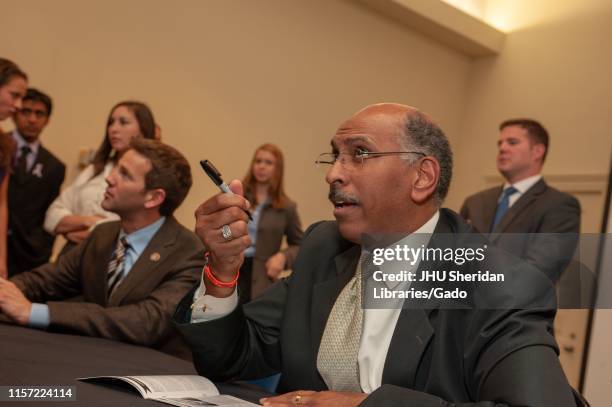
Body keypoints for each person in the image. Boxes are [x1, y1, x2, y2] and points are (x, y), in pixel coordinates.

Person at [173, 103, 580, 406]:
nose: (334, 173)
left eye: (360, 153)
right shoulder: (322, 247)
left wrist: (363, 405)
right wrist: (222, 273)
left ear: (421, 177)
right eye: (335, 156)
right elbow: (231, 358)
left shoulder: (500, 286)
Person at [0, 138, 203, 359]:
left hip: (152, 374)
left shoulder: (189, 252)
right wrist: (5, 292)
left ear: (153, 197)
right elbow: (44, 281)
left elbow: (144, 322)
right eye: (116, 168)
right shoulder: (102, 234)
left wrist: (34, 312)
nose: (109, 178)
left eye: (124, 174)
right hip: (95, 360)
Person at [460, 119, 580, 282]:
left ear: (537, 151)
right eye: (500, 143)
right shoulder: (475, 202)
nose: (502, 148)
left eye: (512, 142)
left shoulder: (560, 206)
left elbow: (538, 273)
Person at [44, 101, 156, 254]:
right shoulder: (95, 169)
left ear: (143, 130)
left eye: (123, 122)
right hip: (72, 255)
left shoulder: (151, 175)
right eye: (111, 122)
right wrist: (88, 221)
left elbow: (135, 230)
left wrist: (82, 231)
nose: (114, 129)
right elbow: (52, 217)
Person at [8, 88, 65, 276]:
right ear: (15, 114)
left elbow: (49, 212)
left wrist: (41, 249)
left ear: (47, 120)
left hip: (29, 256)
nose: (32, 119)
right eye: (26, 112)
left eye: (39, 114)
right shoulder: (2, 147)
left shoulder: (55, 166)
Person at [238, 143, 303, 302]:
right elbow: (220, 228)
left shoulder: (287, 207)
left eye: (268, 163)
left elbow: (299, 245)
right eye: (258, 161)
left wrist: (282, 258)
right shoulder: (236, 195)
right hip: (231, 267)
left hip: (261, 279)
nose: (261, 166)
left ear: (277, 168)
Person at [0, 58, 28, 279]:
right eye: (14, 95)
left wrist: (1, 258)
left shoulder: (7, 143)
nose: (19, 105)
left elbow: (1, 203)